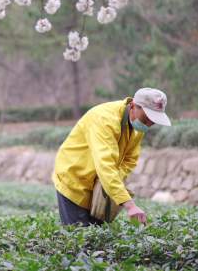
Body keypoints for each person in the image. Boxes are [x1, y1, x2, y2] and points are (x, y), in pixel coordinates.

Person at [52, 88, 172, 226]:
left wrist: (110, 182)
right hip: (74, 179)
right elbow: (106, 165)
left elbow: (130, 160)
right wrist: (130, 205)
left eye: (154, 121)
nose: (149, 124)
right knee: (78, 237)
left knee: (96, 237)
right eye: (147, 118)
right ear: (133, 106)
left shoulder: (137, 127)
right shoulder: (104, 120)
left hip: (100, 187)